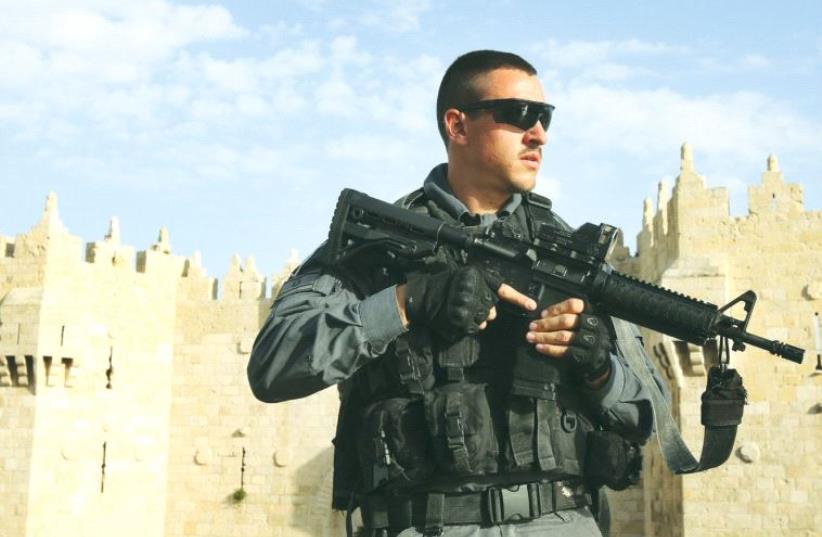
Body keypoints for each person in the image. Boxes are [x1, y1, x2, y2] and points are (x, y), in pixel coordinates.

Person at [248, 50, 666, 537]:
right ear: (458, 126)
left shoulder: (570, 256)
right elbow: (274, 366)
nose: (539, 134)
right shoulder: (381, 243)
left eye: (545, 117)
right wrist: (408, 302)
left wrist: (598, 369)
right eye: (519, 115)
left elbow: (645, 412)